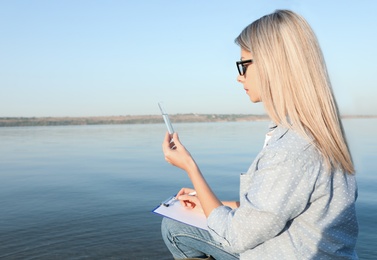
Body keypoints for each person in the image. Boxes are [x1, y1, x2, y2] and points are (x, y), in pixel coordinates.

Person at [161, 9, 358, 260]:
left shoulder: (292, 149)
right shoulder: (318, 132)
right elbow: (281, 207)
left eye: (243, 64)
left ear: (272, 66)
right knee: (180, 222)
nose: (238, 76)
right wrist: (206, 200)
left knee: (173, 229)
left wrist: (190, 167)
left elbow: (235, 237)